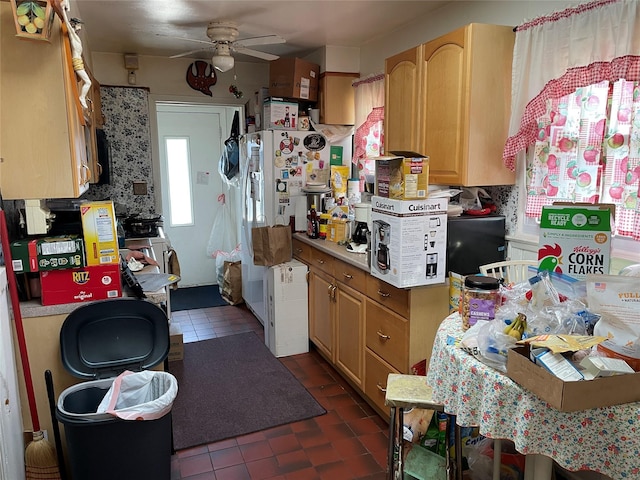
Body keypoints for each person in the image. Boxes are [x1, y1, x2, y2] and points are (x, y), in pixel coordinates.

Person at [60, 0, 91, 109]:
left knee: (88, 82)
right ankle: (82, 97)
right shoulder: (73, 35)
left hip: (79, 62)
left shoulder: (76, 37)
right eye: (79, 25)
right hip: (77, 62)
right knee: (88, 82)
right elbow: (68, 25)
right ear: (76, 25)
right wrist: (63, 10)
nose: (80, 27)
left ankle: (82, 97)